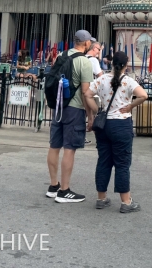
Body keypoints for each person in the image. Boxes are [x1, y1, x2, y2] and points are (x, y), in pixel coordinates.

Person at [84, 50, 147, 213]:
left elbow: (87, 94)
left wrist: (97, 110)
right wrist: (130, 106)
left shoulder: (101, 79)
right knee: (122, 163)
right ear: (125, 65)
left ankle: (101, 198)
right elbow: (143, 95)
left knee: (104, 160)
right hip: (121, 124)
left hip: (104, 126)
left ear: (112, 63)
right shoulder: (128, 81)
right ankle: (126, 202)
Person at [46, 30, 97, 203]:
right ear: (86, 43)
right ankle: (64, 190)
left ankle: (53, 186)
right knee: (70, 148)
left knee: (54, 145)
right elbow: (85, 93)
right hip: (74, 108)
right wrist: (91, 115)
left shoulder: (62, 55)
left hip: (59, 107)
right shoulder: (85, 62)